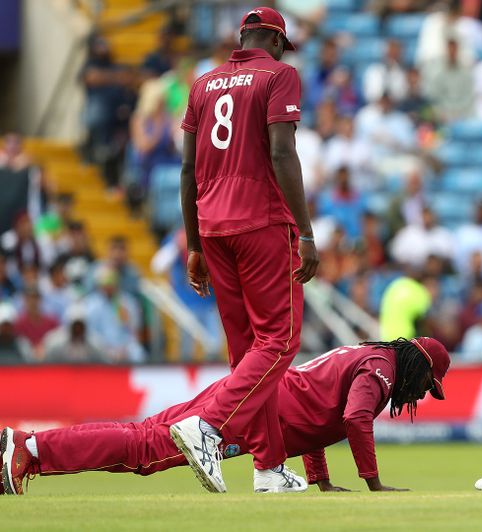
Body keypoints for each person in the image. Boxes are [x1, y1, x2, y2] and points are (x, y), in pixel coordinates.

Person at [0, 337, 450, 496]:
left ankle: (28, 448)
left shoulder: (369, 354)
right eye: (426, 385)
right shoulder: (382, 369)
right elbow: (353, 419)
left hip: (247, 397)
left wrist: (320, 477)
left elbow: (320, 414)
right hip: (253, 414)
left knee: (143, 437)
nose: (420, 395)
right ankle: (31, 448)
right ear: (418, 367)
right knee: (144, 450)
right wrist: (373, 482)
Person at [176, 6, 318, 494]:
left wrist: (193, 244)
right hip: (260, 220)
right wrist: (307, 233)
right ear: (276, 41)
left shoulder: (203, 82)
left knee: (247, 356)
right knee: (279, 342)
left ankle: (268, 467)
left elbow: (187, 172)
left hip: (212, 227)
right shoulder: (280, 75)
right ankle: (207, 426)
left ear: (242, 38)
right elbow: (282, 152)